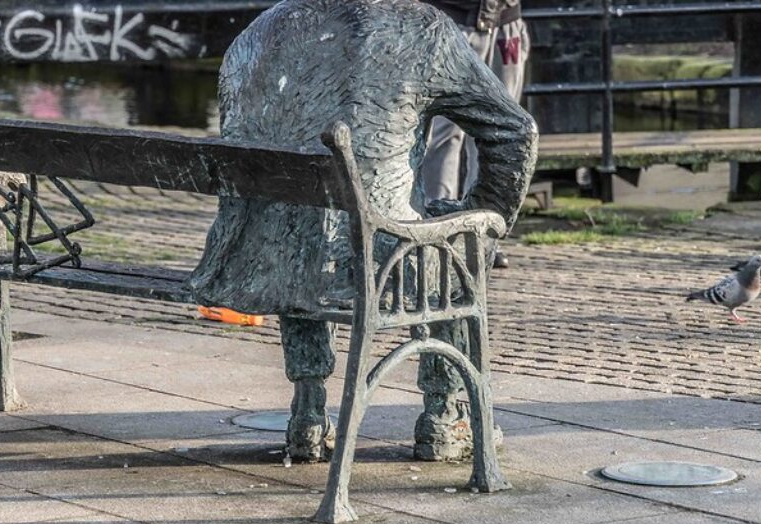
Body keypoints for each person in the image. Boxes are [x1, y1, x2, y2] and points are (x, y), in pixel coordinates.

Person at [189, 0, 537, 462]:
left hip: (262, 255)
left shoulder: (261, 31)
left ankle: (308, 414)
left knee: (299, 220)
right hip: (379, 253)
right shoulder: (423, 29)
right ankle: (443, 417)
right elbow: (517, 133)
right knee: (456, 243)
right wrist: (485, 222)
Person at [421, 0, 530, 269]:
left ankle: (486, 237)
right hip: (452, 20)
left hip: (506, 23)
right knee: (444, 134)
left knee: (501, 133)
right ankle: (434, 234)